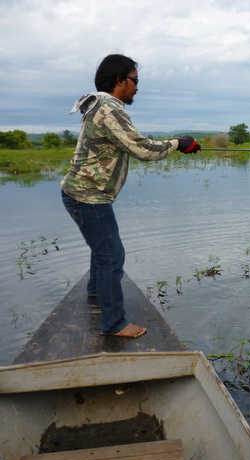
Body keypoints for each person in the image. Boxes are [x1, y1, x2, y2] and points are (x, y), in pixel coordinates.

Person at [61, 53, 201, 338]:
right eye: (135, 81)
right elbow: (142, 149)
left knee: (103, 251)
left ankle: (96, 293)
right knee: (112, 256)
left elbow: (130, 144)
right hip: (87, 196)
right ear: (119, 80)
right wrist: (179, 143)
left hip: (80, 193)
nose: (137, 87)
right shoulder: (108, 107)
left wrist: (177, 145)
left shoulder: (100, 104)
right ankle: (114, 323)